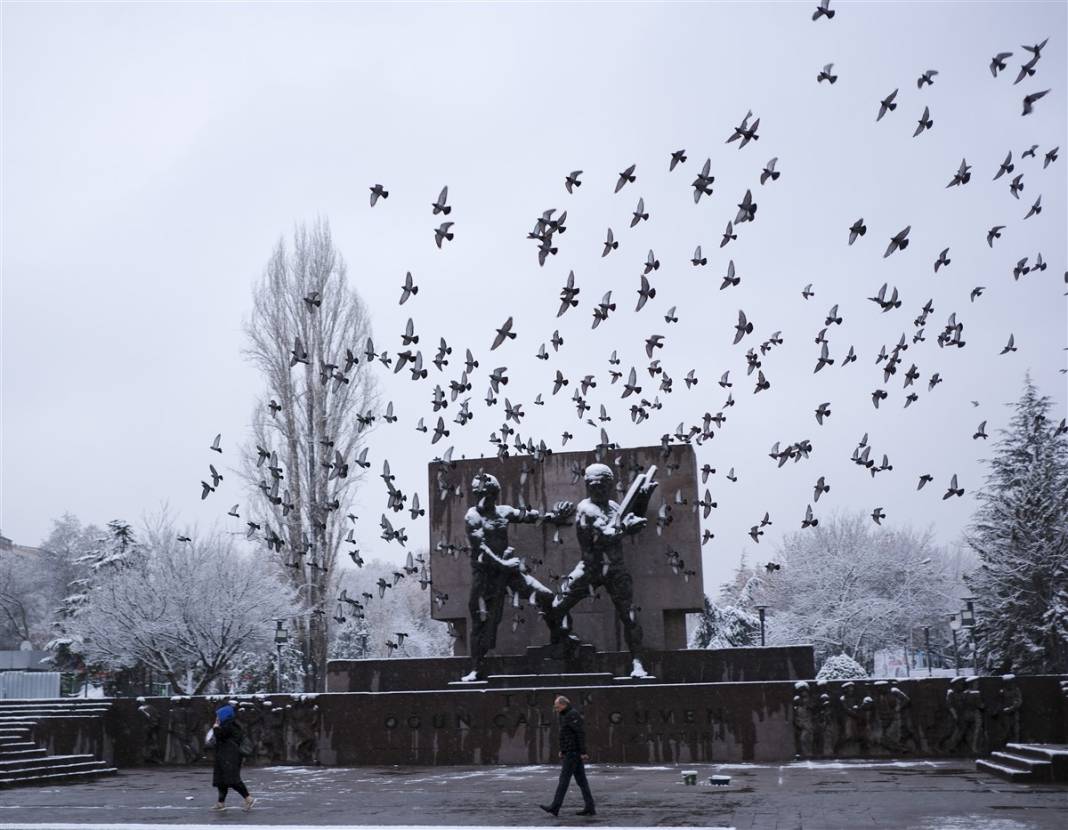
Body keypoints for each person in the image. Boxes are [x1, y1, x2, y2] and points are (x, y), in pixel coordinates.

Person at [461, 473, 574, 681]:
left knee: (546, 597)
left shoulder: (503, 512)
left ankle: (561, 639)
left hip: (510, 572)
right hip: (486, 576)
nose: (482, 499)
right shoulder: (473, 516)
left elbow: (530, 517)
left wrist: (553, 517)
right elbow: (480, 548)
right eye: (478, 495)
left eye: (487, 494)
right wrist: (502, 564)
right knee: (482, 622)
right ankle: (476, 668)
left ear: (495, 495)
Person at [549, 463, 657, 678]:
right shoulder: (585, 509)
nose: (597, 489)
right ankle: (563, 642)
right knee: (556, 606)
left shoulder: (616, 507)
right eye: (593, 484)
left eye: (602, 484)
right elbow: (605, 536)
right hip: (590, 568)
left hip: (615, 568)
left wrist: (643, 498)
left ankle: (637, 661)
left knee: (629, 616)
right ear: (587, 485)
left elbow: (630, 517)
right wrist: (626, 528)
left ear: (609, 485)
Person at [540, 695, 595, 817]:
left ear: (564, 705)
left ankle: (555, 807)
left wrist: (583, 752)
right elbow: (566, 735)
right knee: (582, 781)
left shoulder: (572, 715)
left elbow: (580, 734)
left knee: (563, 781)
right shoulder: (566, 714)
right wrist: (563, 750)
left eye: (557, 706)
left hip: (573, 753)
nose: (556, 709)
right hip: (570, 752)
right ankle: (590, 807)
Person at [209, 704, 255, 812]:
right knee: (222, 780)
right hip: (224, 756)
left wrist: (215, 728)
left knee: (232, 779)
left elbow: (220, 736)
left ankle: (248, 798)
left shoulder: (229, 726)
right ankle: (221, 802)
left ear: (225, 716)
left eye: (218, 716)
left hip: (230, 757)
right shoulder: (228, 725)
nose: (217, 718)